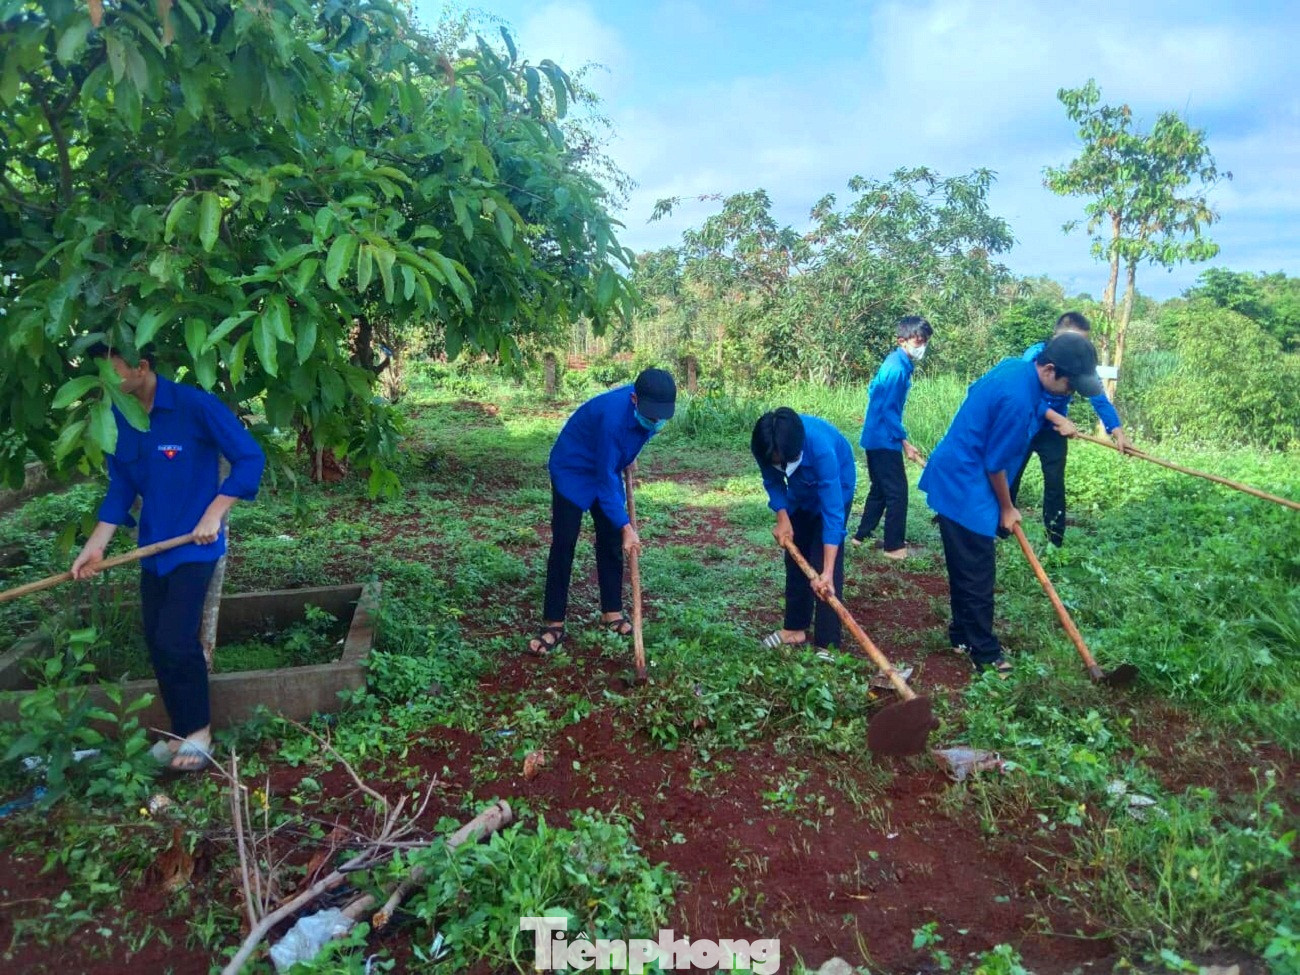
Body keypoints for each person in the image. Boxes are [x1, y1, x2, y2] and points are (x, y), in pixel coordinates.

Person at [71, 343, 265, 771]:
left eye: (113, 372)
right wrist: (97, 543)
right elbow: (121, 486)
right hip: (153, 551)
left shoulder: (194, 406)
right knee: (156, 642)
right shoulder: (119, 418)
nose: (106, 384)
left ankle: (199, 732)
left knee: (176, 638)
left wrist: (214, 513)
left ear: (142, 368)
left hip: (194, 548)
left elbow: (250, 458)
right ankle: (181, 733)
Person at [918, 332, 1102, 675]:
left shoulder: (1016, 369)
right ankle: (985, 654)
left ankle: (961, 636)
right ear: (1049, 369)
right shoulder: (1018, 398)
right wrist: (1006, 507)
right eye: (1070, 386)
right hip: (967, 484)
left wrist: (1056, 419)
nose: (1071, 394)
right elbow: (995, 463)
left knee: (964, 565)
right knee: (977, 575)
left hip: (960, 473)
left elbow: (982, 398)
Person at [527, 367, 677, 655]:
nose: (656, 421)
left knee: (610, 541)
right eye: (652, 415)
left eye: (661, 416)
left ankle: (611, 612)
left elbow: (631, 442)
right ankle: (553, 623)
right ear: (634, 399)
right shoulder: (612, 420)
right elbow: (606, 480)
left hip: (605, 463)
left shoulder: (649, 411)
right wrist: (627, 527)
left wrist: (629, 457)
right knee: (564, 543)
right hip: (573, 468)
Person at [1011, 312, 1132, 546]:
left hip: (1054, 433)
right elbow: (1026, 396)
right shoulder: (1035, 355)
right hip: (1026, 427)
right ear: (1057, 335)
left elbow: (1098, 397)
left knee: (1055, 484)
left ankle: (1055, 540)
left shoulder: (1080, 361)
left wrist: (1116, 429)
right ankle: (1003, 528)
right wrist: (1056, 417)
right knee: (1012, 475)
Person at [752, 408, 856, 651]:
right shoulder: (764, 444)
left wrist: (828, 571)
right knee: (795, 556)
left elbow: (832, 513)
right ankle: (794, 629)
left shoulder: (821, 449)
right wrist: (782, 517)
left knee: (823, 564)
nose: (776, 464)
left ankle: (827, 644)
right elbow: (773, 482)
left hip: (836, 489)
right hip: (799, 495)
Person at [852, 315, 932, 559]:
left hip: (875, 435)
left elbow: (872, 390)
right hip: (884, 439)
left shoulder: (895, 362)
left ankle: (860, 537)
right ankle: (894, 547)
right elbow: (888, 410)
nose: (922, 347)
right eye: (918, 342)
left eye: (925, 342)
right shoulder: (897, 369)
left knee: (880, 489)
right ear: (902, 340)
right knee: (898, 492)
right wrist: (904, 441)